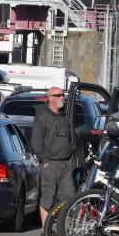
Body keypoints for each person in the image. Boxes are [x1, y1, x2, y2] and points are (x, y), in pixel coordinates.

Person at [31, 86, 76, 226]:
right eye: (58, 95)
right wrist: (44, 160)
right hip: (50, 164)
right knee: (48, 197)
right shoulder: (43, 117)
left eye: (63, 94)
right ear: (50, 98)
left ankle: (65, 230)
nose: (62, 97)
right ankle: (45, 229)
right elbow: (36, 141)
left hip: (66, 163)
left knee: (68, 197)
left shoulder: (65, 116)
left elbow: (71, 137)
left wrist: (71, 153)